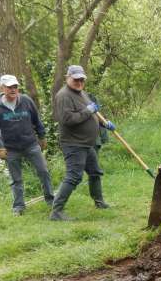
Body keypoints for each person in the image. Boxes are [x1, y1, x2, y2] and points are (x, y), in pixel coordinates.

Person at [49, 65, 116, 221]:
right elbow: (68, 120)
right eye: (76, 79)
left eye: (82, 79)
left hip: (87, 143)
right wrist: (88, 111)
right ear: (68, 78)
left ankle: (99, 202)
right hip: (74, 144)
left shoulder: (82, 93)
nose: (79, 82)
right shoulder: (64, 96)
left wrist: (104, 123)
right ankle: (56, 212)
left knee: (95, 172)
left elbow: (94, 115)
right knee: (74, 177)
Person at [0, 74, 54, 215]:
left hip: (31, 144)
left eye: (15, 86)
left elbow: (37, 120)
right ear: (2, 88)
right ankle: (18, 207)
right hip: (11, 149)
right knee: (16, 179)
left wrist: (42, 137)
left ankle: (51, 199)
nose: (13, 89)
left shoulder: (26, 101)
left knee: (43, 171)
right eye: (9, 87)